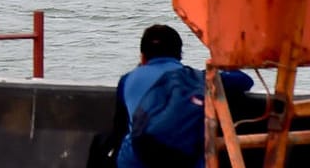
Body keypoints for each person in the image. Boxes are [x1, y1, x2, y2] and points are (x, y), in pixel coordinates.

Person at [100, 24, 255, 168]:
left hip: (136, 160)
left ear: (142, 57)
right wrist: (222, 60)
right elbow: (244, 80)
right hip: (183, 160)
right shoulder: (196, 78)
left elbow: (119, 130)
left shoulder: (127, 80)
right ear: (180, 55)